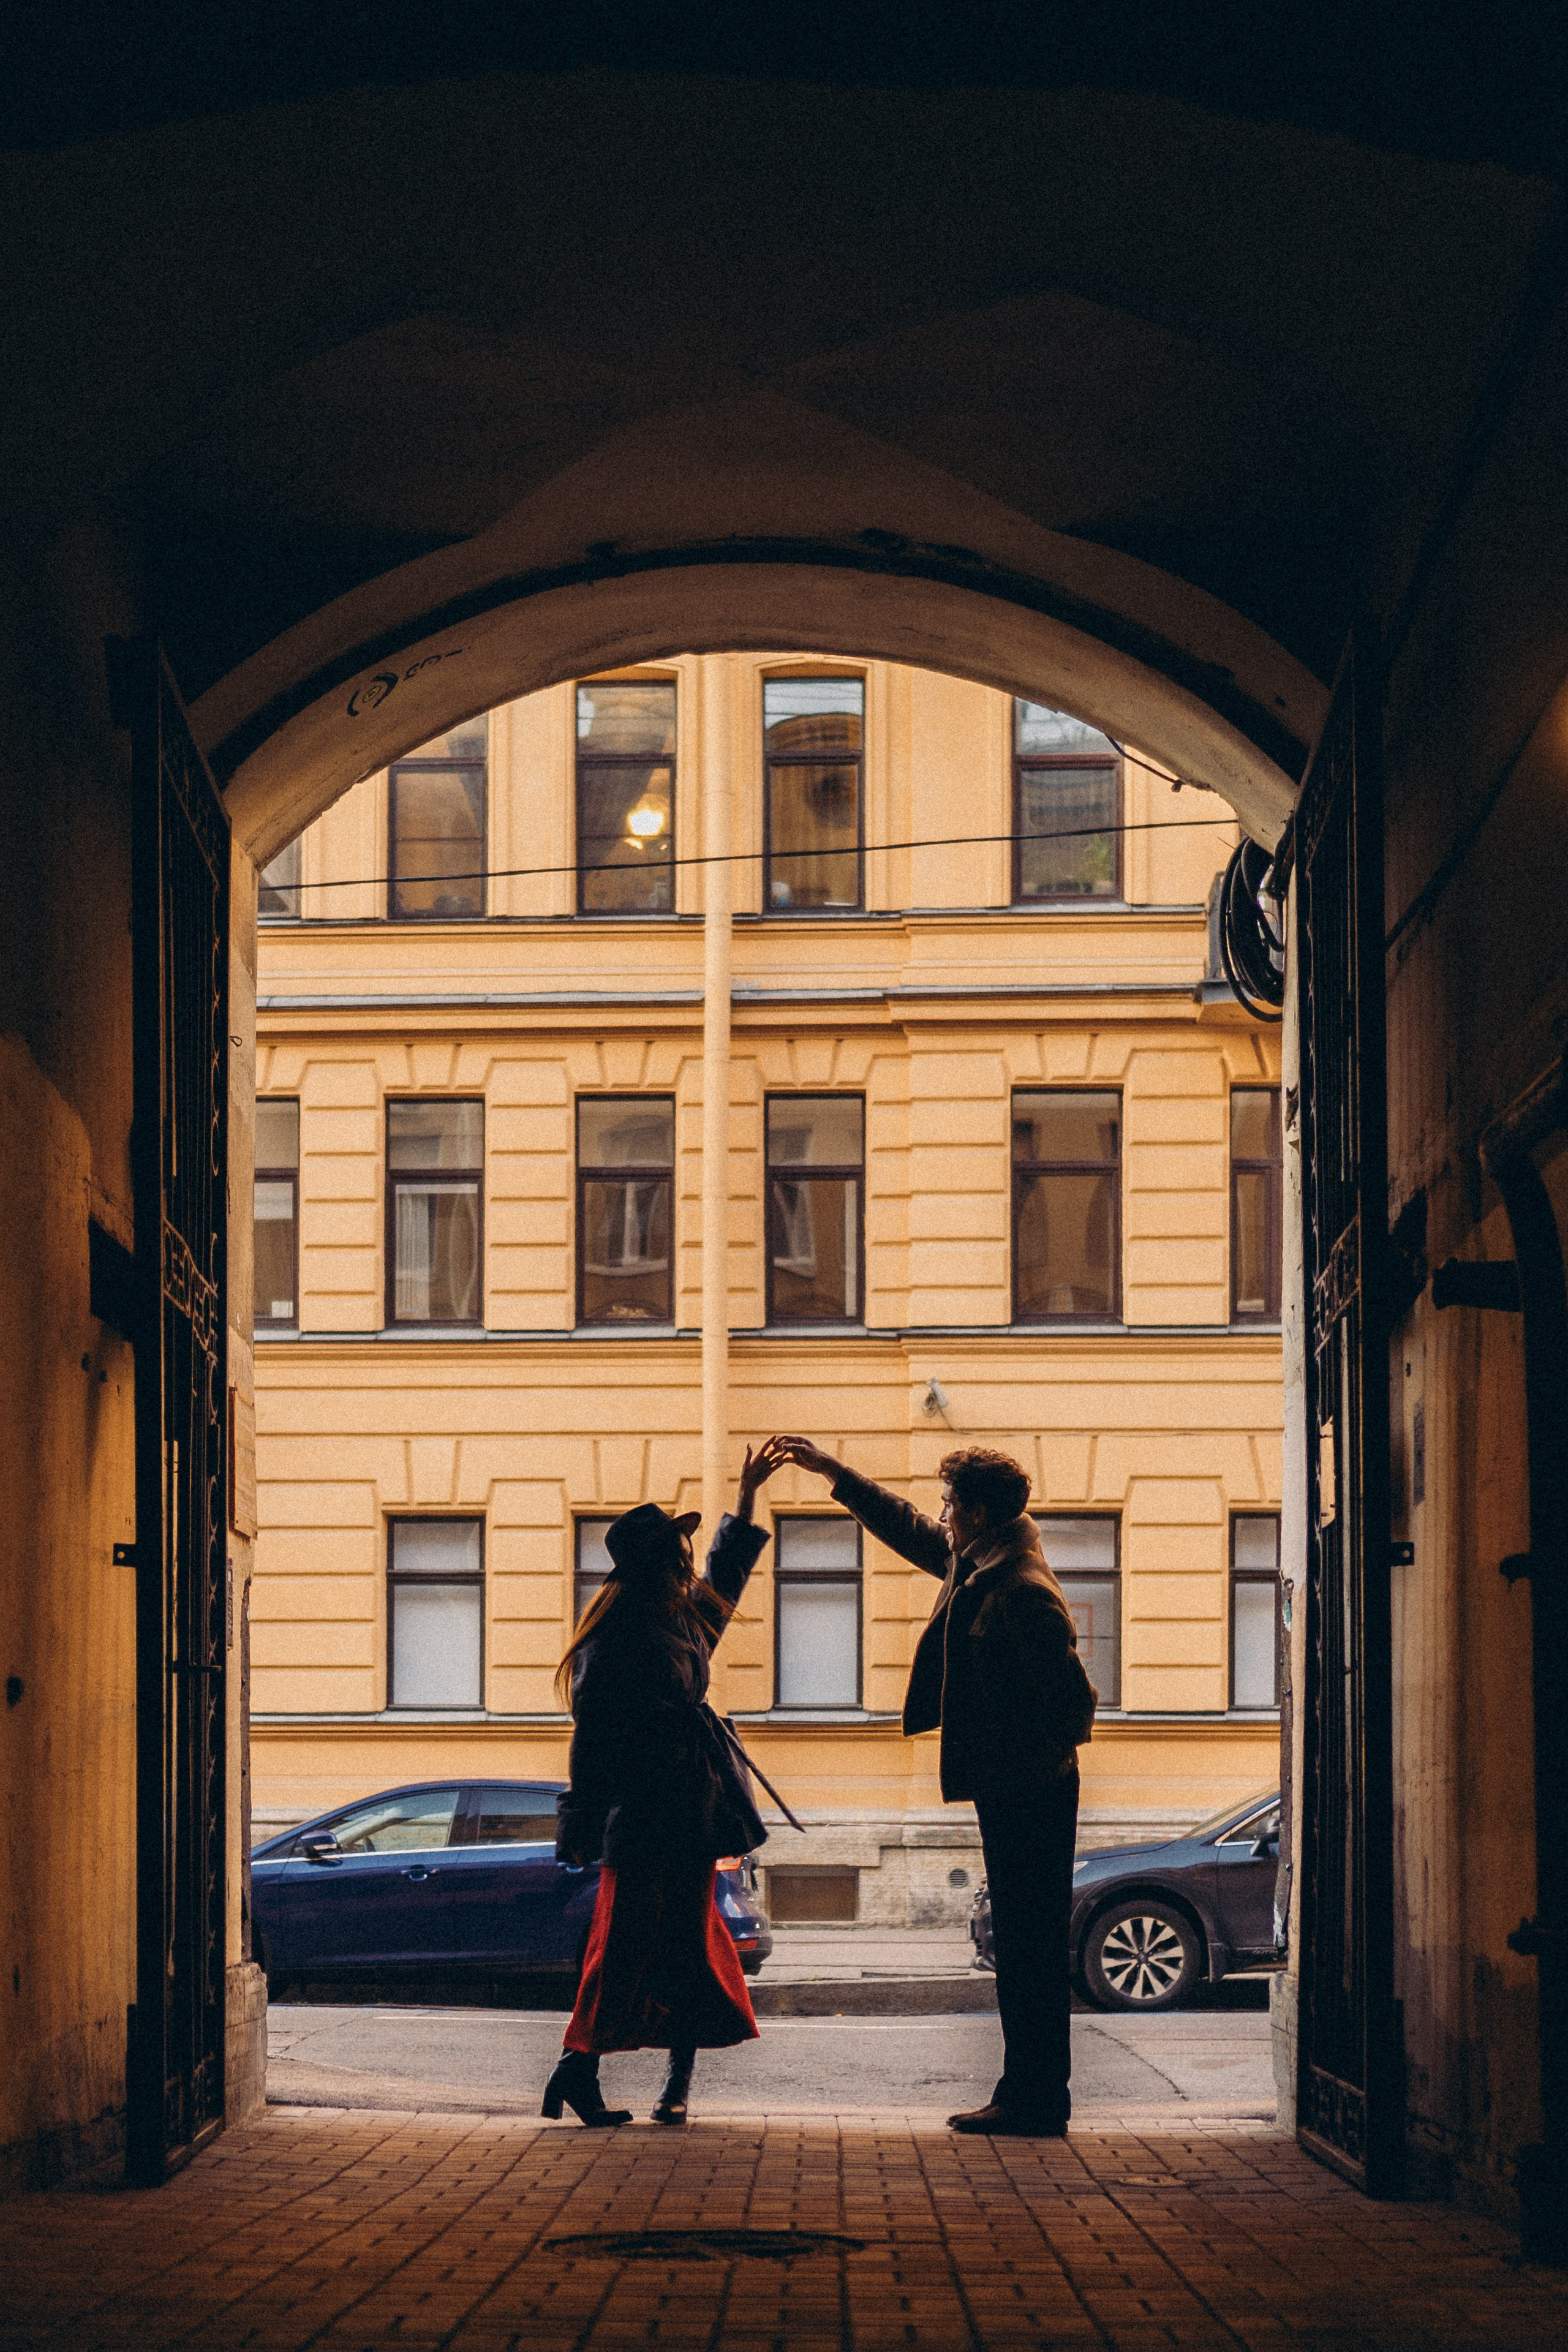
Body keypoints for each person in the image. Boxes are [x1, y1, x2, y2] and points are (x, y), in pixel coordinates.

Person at [777, 1437, 1095, 2136]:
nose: (942, 1515)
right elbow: (912, 1529)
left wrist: (1017, 1761)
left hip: (1031, 1792)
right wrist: (836, 1473)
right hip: (1016, 1787)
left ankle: (1036, 2100)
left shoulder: (1020, 1588)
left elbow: (1073, 1705)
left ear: (977, 1513)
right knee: (1021, 1947)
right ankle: (1029, 2094)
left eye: (951, 1505)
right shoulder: (982, 1560)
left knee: (1030, 1950)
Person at [543, 1437, 789, 2128]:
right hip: (646, 1816)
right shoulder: (615, 1637)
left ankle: (676, 2085)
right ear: (655, 1561)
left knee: (688, 1951)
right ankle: (575, 2069)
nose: (687, 1558)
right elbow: (593, 1745)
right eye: (677, 1550)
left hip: (692, 1812)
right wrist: (581, 1824)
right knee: (620, 1952)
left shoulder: (676, 1617)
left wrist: (746, 1499)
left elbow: (725, 1577)